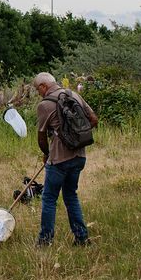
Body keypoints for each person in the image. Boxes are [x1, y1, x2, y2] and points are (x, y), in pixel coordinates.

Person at [33, 72, 98, 247]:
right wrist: (75, 137)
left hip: (59, 160)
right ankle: (82, 238)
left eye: (37, 89)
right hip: (79, 156)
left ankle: (45, 241)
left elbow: (41, 137)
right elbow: (93, 119)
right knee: (71, 196)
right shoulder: (74, 94)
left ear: (43, 86)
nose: (38, 93)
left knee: (49, 199)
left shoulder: (45, 104)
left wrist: (47, 153)